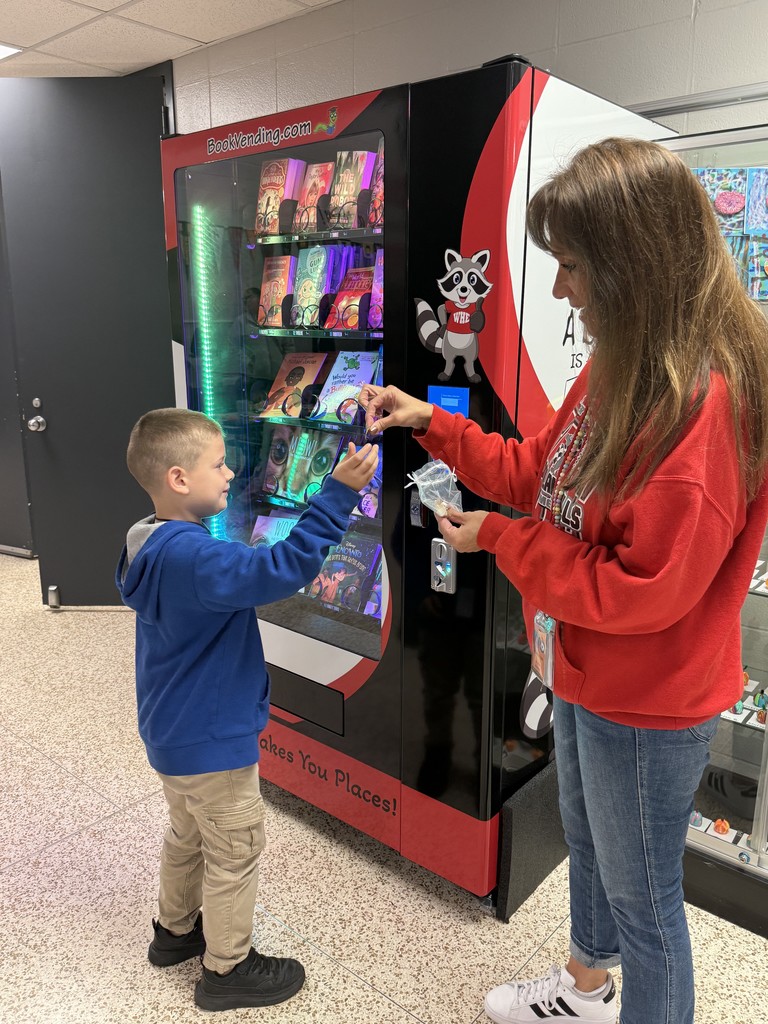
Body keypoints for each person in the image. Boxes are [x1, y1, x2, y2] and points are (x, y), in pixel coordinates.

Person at [360, 137, 768, 1024]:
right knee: (586, 839)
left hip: (647, 698)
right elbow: (539, 473)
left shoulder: (701, 408)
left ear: (634, 264)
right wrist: (433, 420)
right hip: (584, 669)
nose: (558, 290)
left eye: (572, 265)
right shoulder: (626, 363)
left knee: (647, 904)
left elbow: (643, 589)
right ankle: (587, 991)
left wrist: (506, 543)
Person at [116, 407, 378, 1012]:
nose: (232, 472)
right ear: (179, 479)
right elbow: (280, 568)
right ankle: (227, 969)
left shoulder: (147, 542)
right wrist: (336, 496)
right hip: (213, 737)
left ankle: (174, 932)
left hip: (171, 733)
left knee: (187, 834)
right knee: (235, 848)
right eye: (218, 464)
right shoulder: (198, 560)